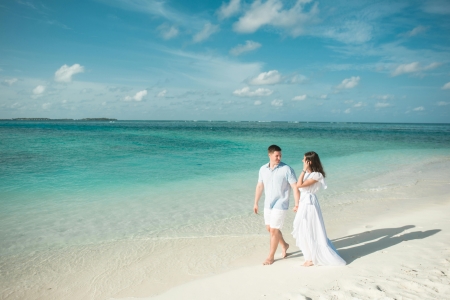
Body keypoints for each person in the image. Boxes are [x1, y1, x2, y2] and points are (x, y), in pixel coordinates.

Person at [292, 151, 346, 267]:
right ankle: (308, 256)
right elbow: (299, 186)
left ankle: (312, 258)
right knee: (301, 228)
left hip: (310, 204)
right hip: (303, 203)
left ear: (309, 161)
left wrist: (303, 170)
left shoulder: (317, 175)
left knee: (310, 229)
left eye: (304, 159)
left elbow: (299, 185)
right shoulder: (307, 173)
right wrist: (297, 204)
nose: (302, 161)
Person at [254, 145, 300, 265]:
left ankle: (271, 256)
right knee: (269, 229)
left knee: (274, 230)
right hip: (268, 203)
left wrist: (297, 203)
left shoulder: (287, 169)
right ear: (269, 155)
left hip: (281, 203)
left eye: (280, 155)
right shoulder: (262, 169)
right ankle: (284, 245)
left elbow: (295, 187)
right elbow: (259, 186)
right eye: (276, 156)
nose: (279, 158)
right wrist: (256, 203)